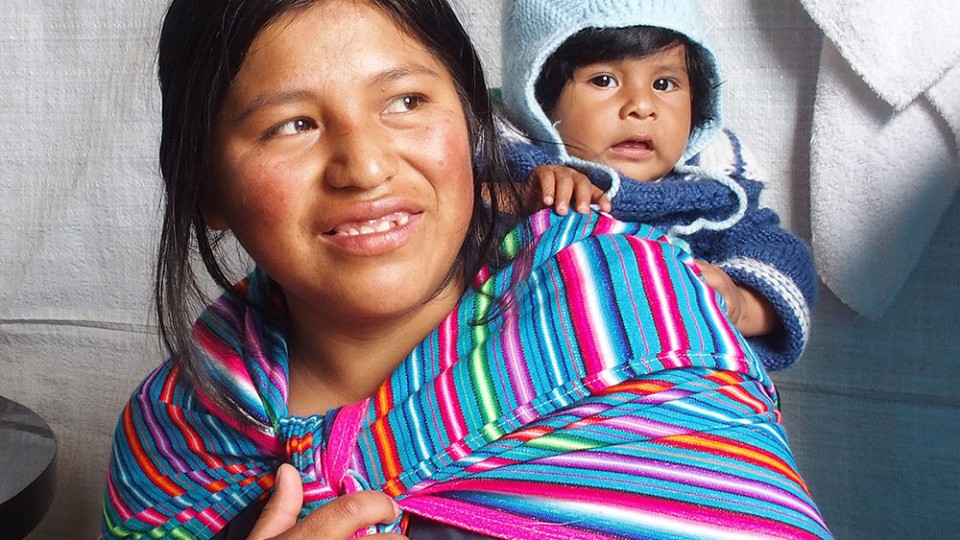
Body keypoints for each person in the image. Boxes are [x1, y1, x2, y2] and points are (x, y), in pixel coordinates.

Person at [100, 0, 833, 538]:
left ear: (474, 123)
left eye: (407, 101)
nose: (366, 166)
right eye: (293, 124)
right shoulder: (176, 430)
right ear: (207, 189)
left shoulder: (632, 318)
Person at [500, 0, 817, 372]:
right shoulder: (510, 167)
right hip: (540, 387)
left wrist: (741, 302)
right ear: (536, 96)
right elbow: (455, 231)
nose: (641, 106)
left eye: (664, 84)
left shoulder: (710, 195)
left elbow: (783, 259)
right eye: (604, 80)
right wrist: (519, 196)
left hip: (677, 400)